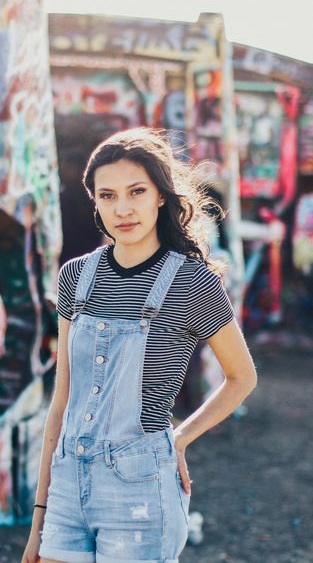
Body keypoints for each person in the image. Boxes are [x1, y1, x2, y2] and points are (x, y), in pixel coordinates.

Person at [22, 127, 257, 563]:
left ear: (161, 196)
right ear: (94, 201)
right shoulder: (75, 277)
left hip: (140, 490)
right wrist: (40, 519)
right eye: (107, 196)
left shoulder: (191, 281)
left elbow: (242, 377)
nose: (123, 208)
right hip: (68, 484)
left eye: (136, 191)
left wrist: (180, 440)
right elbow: (62, 403)